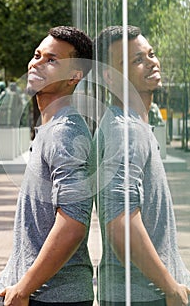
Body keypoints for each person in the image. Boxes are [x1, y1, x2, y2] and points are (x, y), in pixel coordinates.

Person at [0, 26, 94, 306]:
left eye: (52, 60)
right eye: (37, 55)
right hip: (19, 283)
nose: (36, 63)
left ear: (74, 76)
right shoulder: (51, 126)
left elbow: (73, 223)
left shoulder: (66, 132)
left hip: (47, 296)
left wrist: (23, 288)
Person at [94, 25, 190, 306]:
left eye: (150, 54)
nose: (151, 62)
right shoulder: (125, 130)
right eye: (137, 60)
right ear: (110, 77)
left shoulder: (132, 125)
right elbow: (119, 222)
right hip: (144, 297)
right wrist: (170, 288)